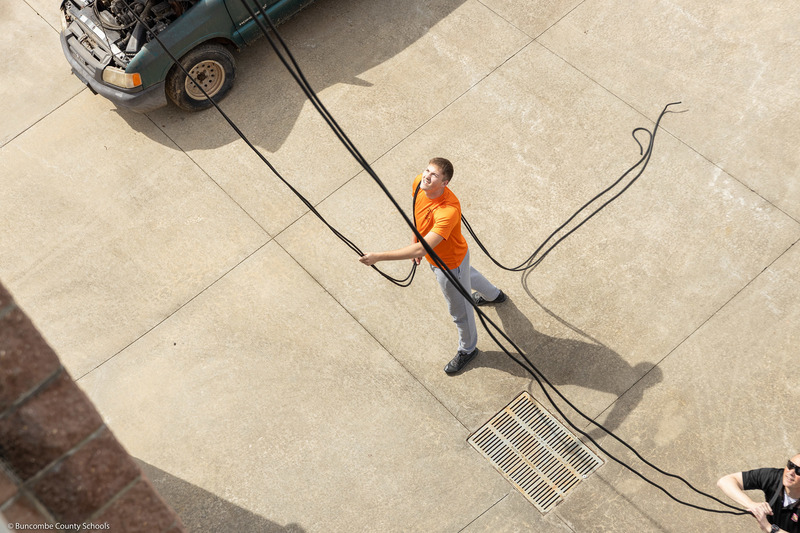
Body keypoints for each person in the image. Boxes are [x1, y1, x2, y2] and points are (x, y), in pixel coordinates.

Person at [358, 157, 507, 374]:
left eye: (434, 175)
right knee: (468, 275)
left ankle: (468, 349)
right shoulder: (420, 183)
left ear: (444, 183)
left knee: (460, 311)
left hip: (449, 264)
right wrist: (414, 240)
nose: (427, 176)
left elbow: (421, 250)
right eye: (427, 170)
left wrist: (378, 257)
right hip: (450, 259)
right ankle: (495, 296)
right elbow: (417, 219)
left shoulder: (447, 211)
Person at [717, 454, 800, 533]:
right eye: (790, 465)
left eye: (798, 471)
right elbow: (725, 481)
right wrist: (751, 504)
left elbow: (768, 528)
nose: (791, 473)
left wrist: (769, 528)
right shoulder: (773, 477)